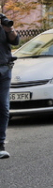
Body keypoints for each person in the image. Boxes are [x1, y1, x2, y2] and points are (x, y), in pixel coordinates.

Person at [0, 14, 19, 159]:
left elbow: (15, 41)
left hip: (5, 70)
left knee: (4, 108)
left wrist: (9, 29)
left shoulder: (3, 23)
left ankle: (0, 145)